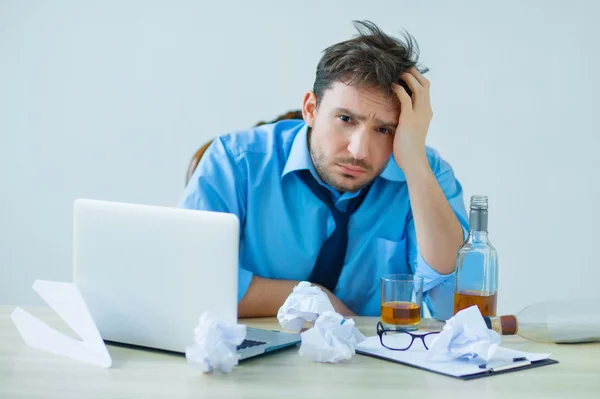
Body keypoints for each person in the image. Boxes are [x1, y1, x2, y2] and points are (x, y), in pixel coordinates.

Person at [178, 20, 468, 320]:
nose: (359, 151)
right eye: (345, 119)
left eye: (383, 129)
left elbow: (454, 305)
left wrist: (416, 164)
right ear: (311, 109)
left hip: (375, 362)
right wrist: (314, 299)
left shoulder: (427, 174)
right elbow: (189, 279)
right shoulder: (235, 160)